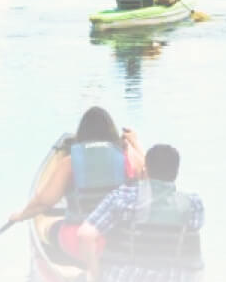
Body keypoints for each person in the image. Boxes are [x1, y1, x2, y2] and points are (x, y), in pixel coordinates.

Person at [77, 142, 204, 282]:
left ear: (146, 169)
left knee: (85, 281)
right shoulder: (192, 204)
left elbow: (85, 234)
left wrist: (94, 274)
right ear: (176, 172)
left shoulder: (123, 197)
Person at [8, 106, 146, 255]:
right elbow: (153, 180)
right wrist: (135, 143)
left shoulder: (70, 163)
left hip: (79, 240)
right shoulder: (129, 159)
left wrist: (21, 216)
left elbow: (43, 203)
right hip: (118, 238)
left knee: (48, 228)